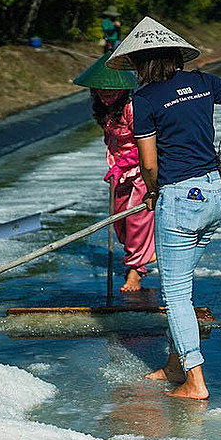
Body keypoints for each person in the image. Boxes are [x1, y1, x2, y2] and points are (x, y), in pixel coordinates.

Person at [108, 16, 221, 400]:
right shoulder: (202, 82)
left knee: (175, 294)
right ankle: (174, 364)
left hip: (180, 201)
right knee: (182, 284)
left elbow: (148, 163)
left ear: (140, 63)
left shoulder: (144, 100)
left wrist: (153, 192)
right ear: (174, 56)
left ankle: (194, 380)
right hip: (215, 194)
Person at [74, 53, 156, 292]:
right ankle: (142, 253)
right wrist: (114, 165)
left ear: (122, 88)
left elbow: (147, 143)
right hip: (120, 170)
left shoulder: (132, 108)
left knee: (137, 218)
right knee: (119, 219)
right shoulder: (105, 110)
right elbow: (111, 140)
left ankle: (136, 271)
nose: (106, 93)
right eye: (101, 89)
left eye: (111, 89)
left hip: (142, 169)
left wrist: (127, 163)